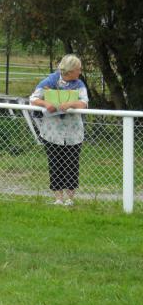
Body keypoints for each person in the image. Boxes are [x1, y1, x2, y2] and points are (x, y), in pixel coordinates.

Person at [30, 54, 89, 206]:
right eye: (78, 69)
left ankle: (70, 199)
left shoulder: (79, 84)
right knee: (55, 163)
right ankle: (58, 198)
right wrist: (45, 104)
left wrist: (71, 104)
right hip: (52, 132)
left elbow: (84, 103)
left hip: (73, 132)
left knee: (71, 163)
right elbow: (33, 98)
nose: (80, 72)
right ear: (70, 71)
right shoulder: (50, 81)